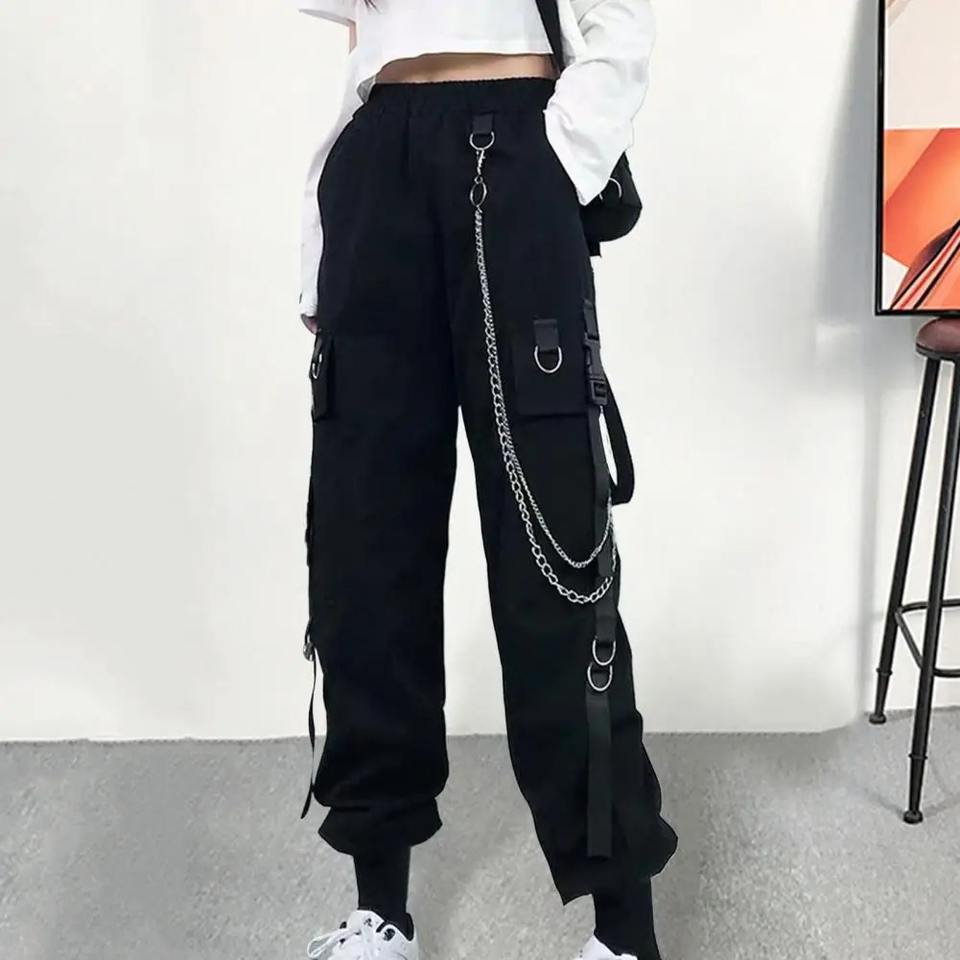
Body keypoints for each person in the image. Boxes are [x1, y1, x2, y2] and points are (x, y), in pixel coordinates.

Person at [294, 2, 678, 958]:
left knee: (556, 557)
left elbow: (619, 19)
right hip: (376, 163)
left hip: (513, 149)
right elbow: (361, 38)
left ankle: (625, 934)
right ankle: (380, 912)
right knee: (363, 558)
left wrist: (559, 161)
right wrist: (320, 241)